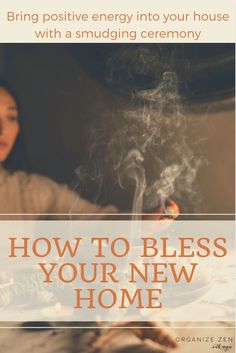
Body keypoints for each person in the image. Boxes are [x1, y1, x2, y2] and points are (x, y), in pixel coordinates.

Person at [0, 77, 177, 353]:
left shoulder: (30, 189)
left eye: (11, 118)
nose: (3, 128)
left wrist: (147, 222)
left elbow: (95, 220)